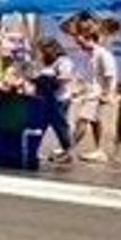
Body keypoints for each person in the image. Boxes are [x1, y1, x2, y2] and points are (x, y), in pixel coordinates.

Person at [80, 18, 121, 163]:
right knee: (95, 123)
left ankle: (67, 150)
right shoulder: (92, 55)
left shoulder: (103, 54)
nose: (79, 44)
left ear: (90, 39)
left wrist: (109, 94)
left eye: (81, 41)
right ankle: (101, 151)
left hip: (100, 95)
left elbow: (110, 75)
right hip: (94, 94)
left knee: (83, 120)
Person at [35, 37, 77, 165]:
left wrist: (51, 79)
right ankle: (34, 149)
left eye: (44, 49)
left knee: (60, 126)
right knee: (40, 124)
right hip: (46, 98)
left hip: (59, 99)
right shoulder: (48, 61)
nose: (42, 52)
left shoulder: (64, 61)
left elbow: (66, 77)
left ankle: (68, 153)